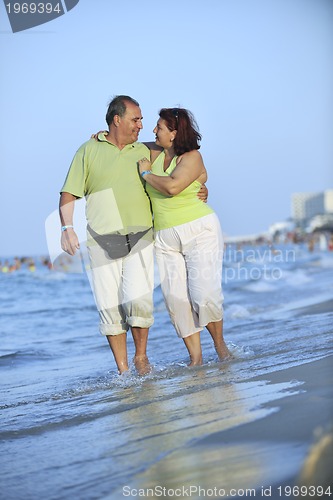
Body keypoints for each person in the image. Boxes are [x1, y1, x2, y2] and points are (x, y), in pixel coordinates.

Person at [59, 95, 155, 376]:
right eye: (135, 119)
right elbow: (69, 192)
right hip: (101, 239)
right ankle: (123, 371)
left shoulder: (146, 151)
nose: (141, 125)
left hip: (141, 235)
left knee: (139, 301)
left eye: (141, 119)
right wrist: (67, 229)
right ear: (117, 120)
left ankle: (140, 358)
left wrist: (202, 184)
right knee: (110, 307)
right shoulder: (88, 150)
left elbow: (181, 163)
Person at [138, 108, 231, 366]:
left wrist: (146, 174)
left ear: (175, 133)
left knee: (203, 295)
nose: (154, 130)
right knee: (176, 301)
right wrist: (105, 136)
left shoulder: (191, 157)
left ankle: (221, 349)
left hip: (200, 230)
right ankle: (196, 359)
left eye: (159, 127)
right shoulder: (155, 153)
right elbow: (128, 145)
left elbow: (173, 187)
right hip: (165, 238)